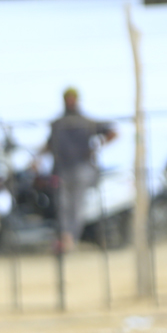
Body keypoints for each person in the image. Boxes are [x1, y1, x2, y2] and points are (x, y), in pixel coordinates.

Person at [44, 87, 116, 252]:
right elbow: (49, 145)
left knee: (76, 206)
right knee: (63, 207)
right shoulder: (58, 124)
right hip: (61, 171)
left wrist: (97, 147)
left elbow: (112, 132)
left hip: (81, 170)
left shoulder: (86, 122)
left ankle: (70, 239)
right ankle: (65, 238)